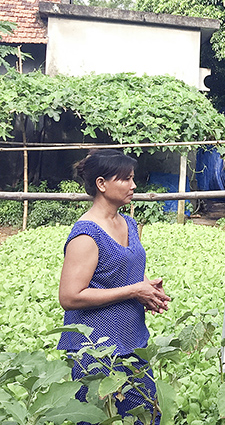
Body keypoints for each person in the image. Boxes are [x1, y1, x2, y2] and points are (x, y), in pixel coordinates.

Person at [58, 149, 170, 424]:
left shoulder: (128, 223)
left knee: (146, 415)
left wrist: (146, 287)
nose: (134, 185)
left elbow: (121, 272)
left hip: (132, 341)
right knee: (98, 417)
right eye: (126, 179)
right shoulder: (86, 235)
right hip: (96, 351)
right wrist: (134, 291)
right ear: (101, 184)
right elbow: (70, 296)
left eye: (133, 178)